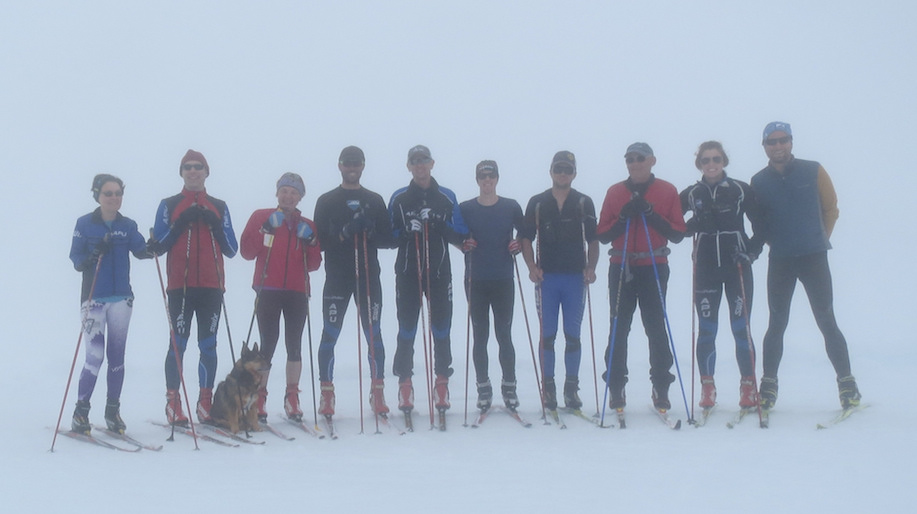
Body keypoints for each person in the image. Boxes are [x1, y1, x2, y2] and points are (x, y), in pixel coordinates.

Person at [751, 122, 861, 410]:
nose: (778, 146)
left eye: (783, 140)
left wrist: (819, 237)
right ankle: (769, 386)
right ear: (764, 146)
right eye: (772, 142)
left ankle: (847, 385)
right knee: (777, 322)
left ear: (791, 142)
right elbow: (759, 221)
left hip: (813, 257)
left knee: (826, 320)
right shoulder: (759, 181)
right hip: (781, 259)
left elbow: (831, 207)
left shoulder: (813, 170)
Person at [148, 149, 238, 426]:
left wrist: (214, 224)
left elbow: (232, 249)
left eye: (198, 166)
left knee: (208, 344)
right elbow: (158, 246)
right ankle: (173, 402)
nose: (193, 171)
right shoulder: (169, 204)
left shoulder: (219, 205)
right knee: (179, 342)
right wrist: (180, 223)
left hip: (211, 287)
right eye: (187, 167)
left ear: (206, 172)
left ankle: (205, 402)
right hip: (181, 286)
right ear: (182, 172)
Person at [595, 142, 685, 411]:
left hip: (654, 264)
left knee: (656, 327)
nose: (634, 163)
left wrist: (650, 213)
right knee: (618, 327)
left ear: (652, 160)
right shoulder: (615, 192)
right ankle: (616, 386)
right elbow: (602, 235)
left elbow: (678, 233)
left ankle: (661, 385)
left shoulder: (667, 191)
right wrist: (623, 218)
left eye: (640, 158)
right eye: (629, 159)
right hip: (621, 265)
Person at [680, 141, 764, 411]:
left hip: (736, 267)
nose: (711, 164)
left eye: (716, 159)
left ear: (724, 161)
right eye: (705, 160)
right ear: (699, 164)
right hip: (705, 269)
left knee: (741, 328)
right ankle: (708, 387)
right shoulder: (692, 193)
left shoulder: (740, 190)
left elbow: (761, 226)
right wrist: (690, 225)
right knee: (707, 329)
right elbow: (671, 225)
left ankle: (749, 387)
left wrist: (750, 252)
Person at [313, 146, 394, 419]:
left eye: (356, 163)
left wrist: (371, 230)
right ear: (339, 165)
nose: (352, 167)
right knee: (330, 333)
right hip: (337, 277)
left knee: (374, 333)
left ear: (363, 166)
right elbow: (318, 243)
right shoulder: (327, 201)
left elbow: (389, 239)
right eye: (347, 163)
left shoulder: (374, 199)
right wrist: (344, 233)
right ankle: (327, 394)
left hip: (368, 275)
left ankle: (378, 391)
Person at [388, 145, 469, 415]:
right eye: (415, 162)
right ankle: (405, 385)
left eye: (424, 161)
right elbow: (387, 236)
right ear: (408, 166)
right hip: (409, 273)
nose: (420, 166)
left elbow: (462, 236)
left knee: (441, 328)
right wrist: (405, 233)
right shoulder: (399, 198)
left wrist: (439, 224)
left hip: (438, 272)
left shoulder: (447, 196)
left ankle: (442, 384)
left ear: (432, 163)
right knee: (407, 329)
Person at [69, 174, 151, 434]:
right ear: (97, 196)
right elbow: (76, 260)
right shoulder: (85, 223)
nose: (114, 198)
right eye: (108, 193)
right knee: (94, 357)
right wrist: (94, 254)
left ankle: (112, 411)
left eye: (118, 193)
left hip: (121, 299)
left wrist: (154, 247)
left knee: (117, 358)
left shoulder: (127, 224)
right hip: (93, 299)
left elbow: (141, 250)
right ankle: (81, 412)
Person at [240, 172, 321, 423]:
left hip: (297, 290)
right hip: (268, 288)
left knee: (294, 343)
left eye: (294, 192)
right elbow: (246, 251)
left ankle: (292, 396)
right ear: (277, 193)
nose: (288, 196)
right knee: (268, 344)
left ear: (300, 198)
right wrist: (265, 229)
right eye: (284, 191)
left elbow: (315, 263)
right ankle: (260, 396)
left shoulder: (306, 223)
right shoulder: (261, 216)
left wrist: (310, 240)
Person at [520, 151, 598, 411]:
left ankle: (571, 389)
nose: (562, 173)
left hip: (575, 279)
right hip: (547, 279)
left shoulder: (584, 202)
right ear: (551, 171)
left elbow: (594, 240)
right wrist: (531, 267)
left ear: (574, 173)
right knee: (548, 335)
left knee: (573, 336)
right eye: (558, 169)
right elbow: (525, 238)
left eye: (567, 169)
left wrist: (591, 267)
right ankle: (549, 388)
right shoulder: (538, 203)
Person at [459, 160, 525, 412]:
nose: (487, 180)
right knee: (480, 335)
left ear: (497, 178)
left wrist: (517, 244)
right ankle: (483, 388)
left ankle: (509, 388)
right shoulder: (466, 208)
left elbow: (527, 231)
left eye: (491, 176)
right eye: (482, 176)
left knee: (504, 334)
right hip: (475, 279)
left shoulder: (510, 207)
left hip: (503, 278)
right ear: (477, 180)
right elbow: (453, 232)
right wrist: (463, 243)